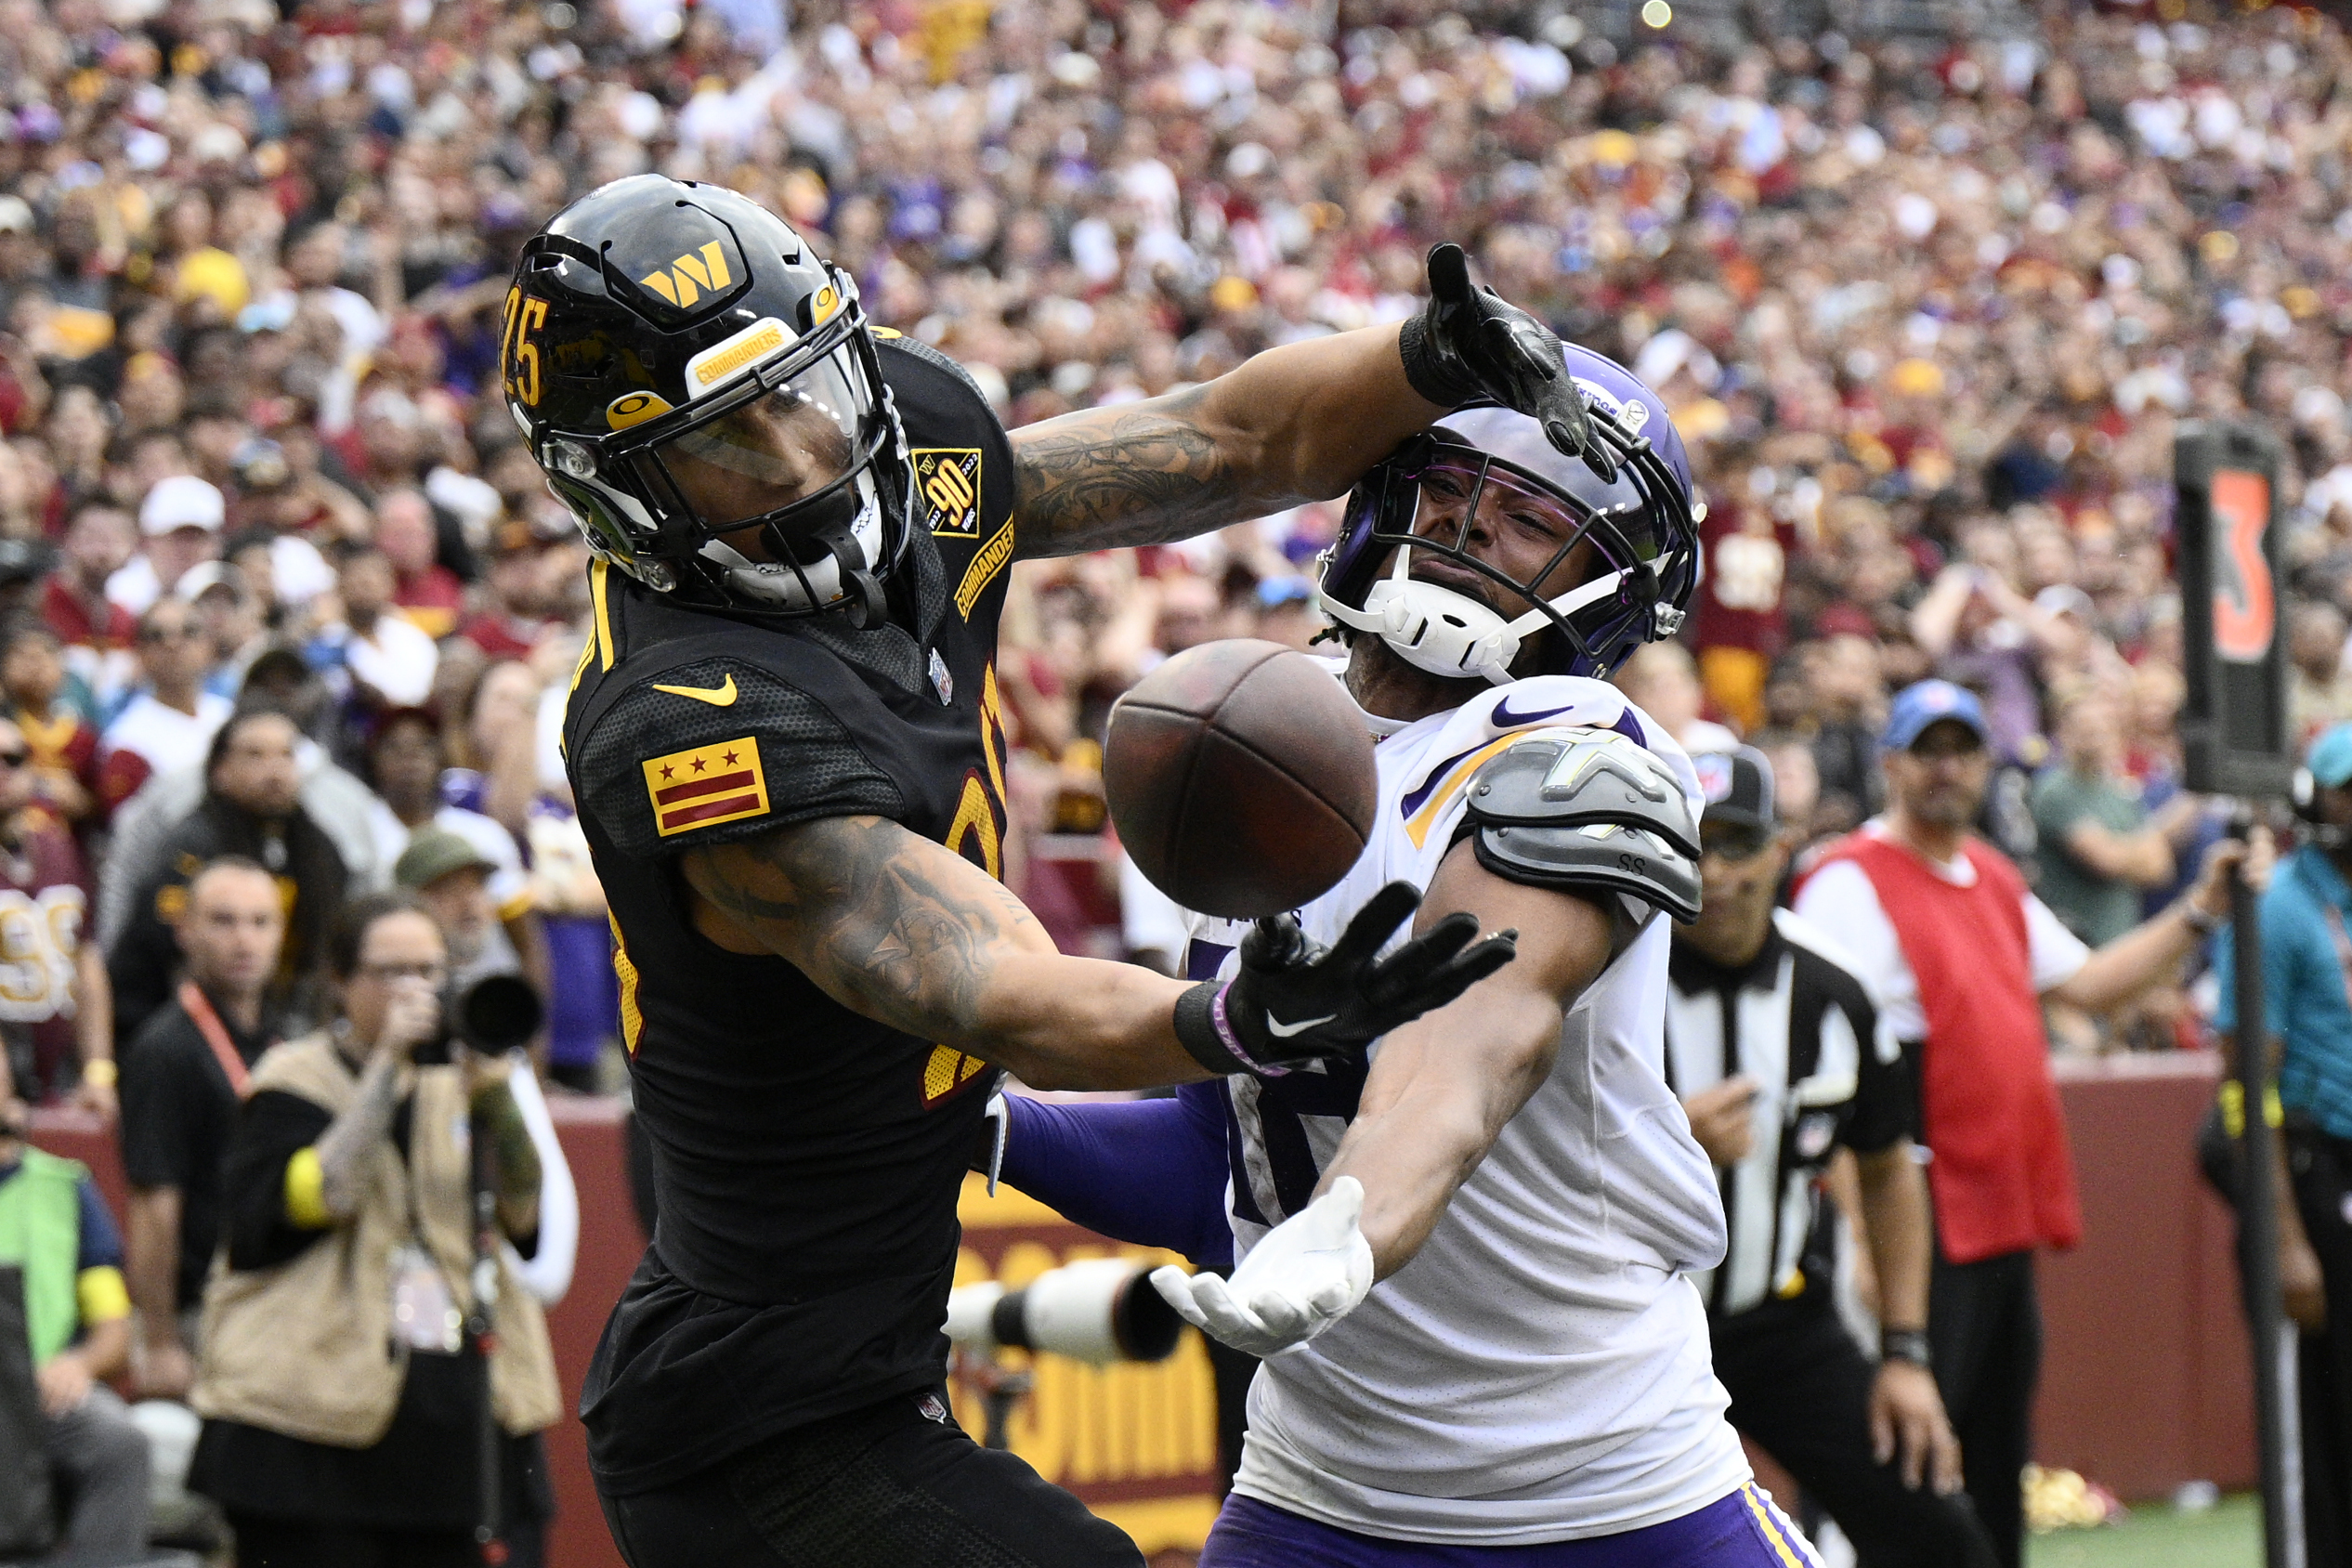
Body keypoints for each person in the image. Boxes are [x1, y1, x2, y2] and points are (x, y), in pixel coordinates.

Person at [523, 178, 1569, 1564]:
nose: (798, 456)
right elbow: (988, 985)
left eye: (803, 390)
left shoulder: (910, 455)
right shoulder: (690, 719)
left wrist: (1425, 362)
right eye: (728, 440)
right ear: (624, 489)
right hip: (753, 1415)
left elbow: (1225, 438)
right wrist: (1228, 1020)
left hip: (856, 1363)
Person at [994, 356, 1825, 1563]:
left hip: (1613, 1487)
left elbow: (1470, 1043)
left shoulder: (1592, 748)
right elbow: (1213, 1162)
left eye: (1536, 514)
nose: (1473, 519)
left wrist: (1361, 1216)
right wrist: (982, 1126)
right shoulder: (1276, 741)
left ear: (1608, 583)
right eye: (1447, 484)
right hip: (1319, 1498)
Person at [1792, 679, 2265, 1568]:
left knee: (1987, 1463)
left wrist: (2199, 908)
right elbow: (1828, 1075)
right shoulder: (1849, 881)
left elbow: (2089, 984)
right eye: (1926, 750)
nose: (1945, 768)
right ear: (1890, 763)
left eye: (1962, 750)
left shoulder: (1993, 876)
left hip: (1994, 1218)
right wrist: (1856, 1233)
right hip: (1916, 1216)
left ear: (1985, 764)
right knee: (1900, 1466)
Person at [1666, 748, 1993, 1568]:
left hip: (1781, 1319)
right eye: (1691, 845)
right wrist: (1664, 1145)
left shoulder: (1836, 991)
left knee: (1936, 1529)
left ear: (1780, 848)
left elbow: (1887, 1168)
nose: (1715, 873)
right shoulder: (1608, 975)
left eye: (1737, 844)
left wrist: (1906, 1353)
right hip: (1637, 1324)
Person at [188, 895, 559, 1568]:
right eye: (392, 972)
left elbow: (527, 1213)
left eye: (430, 970)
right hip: (309, 1420)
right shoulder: (290, 1080)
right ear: (339, 981)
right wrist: (389, 1063)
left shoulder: (472, 1081)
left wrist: (496, 1091)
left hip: (459, 1417)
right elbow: (316, 1197)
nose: (416, 990)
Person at [2212, 721, 2352, 1564]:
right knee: (2313, 1420)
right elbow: (2243, 1083)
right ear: (2317, 798)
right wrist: (2283, 1238)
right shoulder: (2280, 906)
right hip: (2306, 1168)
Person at [118, 856, 284, 1404]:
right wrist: (160, 1339)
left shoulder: (286, 1034)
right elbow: (154, 1206)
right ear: (185, 932)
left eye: (261, 922)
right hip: (205, 1312)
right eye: (224, 921)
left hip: (282, 1302)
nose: (245, 941)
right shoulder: (164, 1049)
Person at [107, 709, 347, 1046]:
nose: (275, 770)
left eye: (286, 755)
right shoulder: (192, 847)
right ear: (219, 771)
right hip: (172, 1030)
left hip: (277, 1023)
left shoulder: (319, 849)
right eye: (255, 756)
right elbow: (166, 956)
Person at [0, 1045, 150, 1561]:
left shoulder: (66, 1187)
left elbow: (114, 1325)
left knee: (120, 1445)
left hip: (41, 1392)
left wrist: (78, 1363)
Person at [0, 713, 111, 1119]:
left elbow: (86, 959)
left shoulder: (59, 847)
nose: (3, 771)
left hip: (58, 1086)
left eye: (13, 759)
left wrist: (97, 1072)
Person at [96, 597, 231, 817]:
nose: (173, 644)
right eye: (156, 636)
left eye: (189, 631)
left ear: (209, 645)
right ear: (140, 653)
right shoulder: (126, 741)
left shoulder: (230, 715)